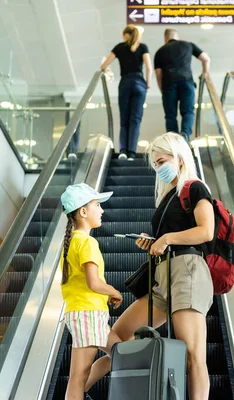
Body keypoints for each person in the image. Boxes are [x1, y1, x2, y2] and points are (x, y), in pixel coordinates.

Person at [83, 132, 215, 400]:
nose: (158, 168)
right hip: (162, 275)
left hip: (188, 271)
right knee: (118, 339)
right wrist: (153, 241)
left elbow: (206, 232)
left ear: (179, 158)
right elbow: (173, 234)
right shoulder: (167, 197)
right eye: (155, 164)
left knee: (193, 353)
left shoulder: (195, 188)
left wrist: (167, 238)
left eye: (162, 161)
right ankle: (75, 392)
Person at [59, 183, 123, 400]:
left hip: (87, 312)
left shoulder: (72, 243)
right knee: (78, 376)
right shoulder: (87, 242)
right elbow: (94, 283)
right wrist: (114, 291)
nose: (102, 210)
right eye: (97, 205)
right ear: (83, 212)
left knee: (120, 354)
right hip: (88, 313)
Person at [101, 25, 152, 161]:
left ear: (126, 35)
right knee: (135, 119)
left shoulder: (119, 47)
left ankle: (123, 150)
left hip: (125, 82)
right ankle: (132, 153)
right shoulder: (143, 47)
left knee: (124, 120)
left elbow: (103, 65)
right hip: (139, 82)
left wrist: (106, 69)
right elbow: (148, 67)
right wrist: (148, 82)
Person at [154, 29, 211, 143]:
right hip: (187, 82)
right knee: (188, 112)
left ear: (165, 38)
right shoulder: (188, 45)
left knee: (170, 115)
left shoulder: (160, 51)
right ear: (177, 36)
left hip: (169, 84)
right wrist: (205, 73)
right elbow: (206, 59)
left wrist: (162, 90)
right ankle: (185, 134)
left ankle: (173, 140)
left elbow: (158, 74)